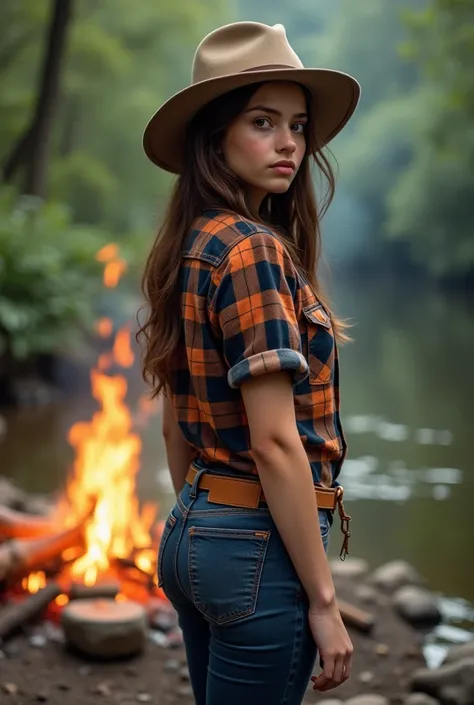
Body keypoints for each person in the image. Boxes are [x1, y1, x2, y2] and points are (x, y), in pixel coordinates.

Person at [138, 21, 361, 705]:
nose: (289, 142)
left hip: (195, 530)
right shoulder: (252, 252)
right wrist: (323, 600)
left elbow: (179, 417)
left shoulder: (195, 242)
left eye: (296, 124)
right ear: (215, 136)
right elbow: (272, 438)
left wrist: (199, 517)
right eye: (262, 121)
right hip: (254, 549)